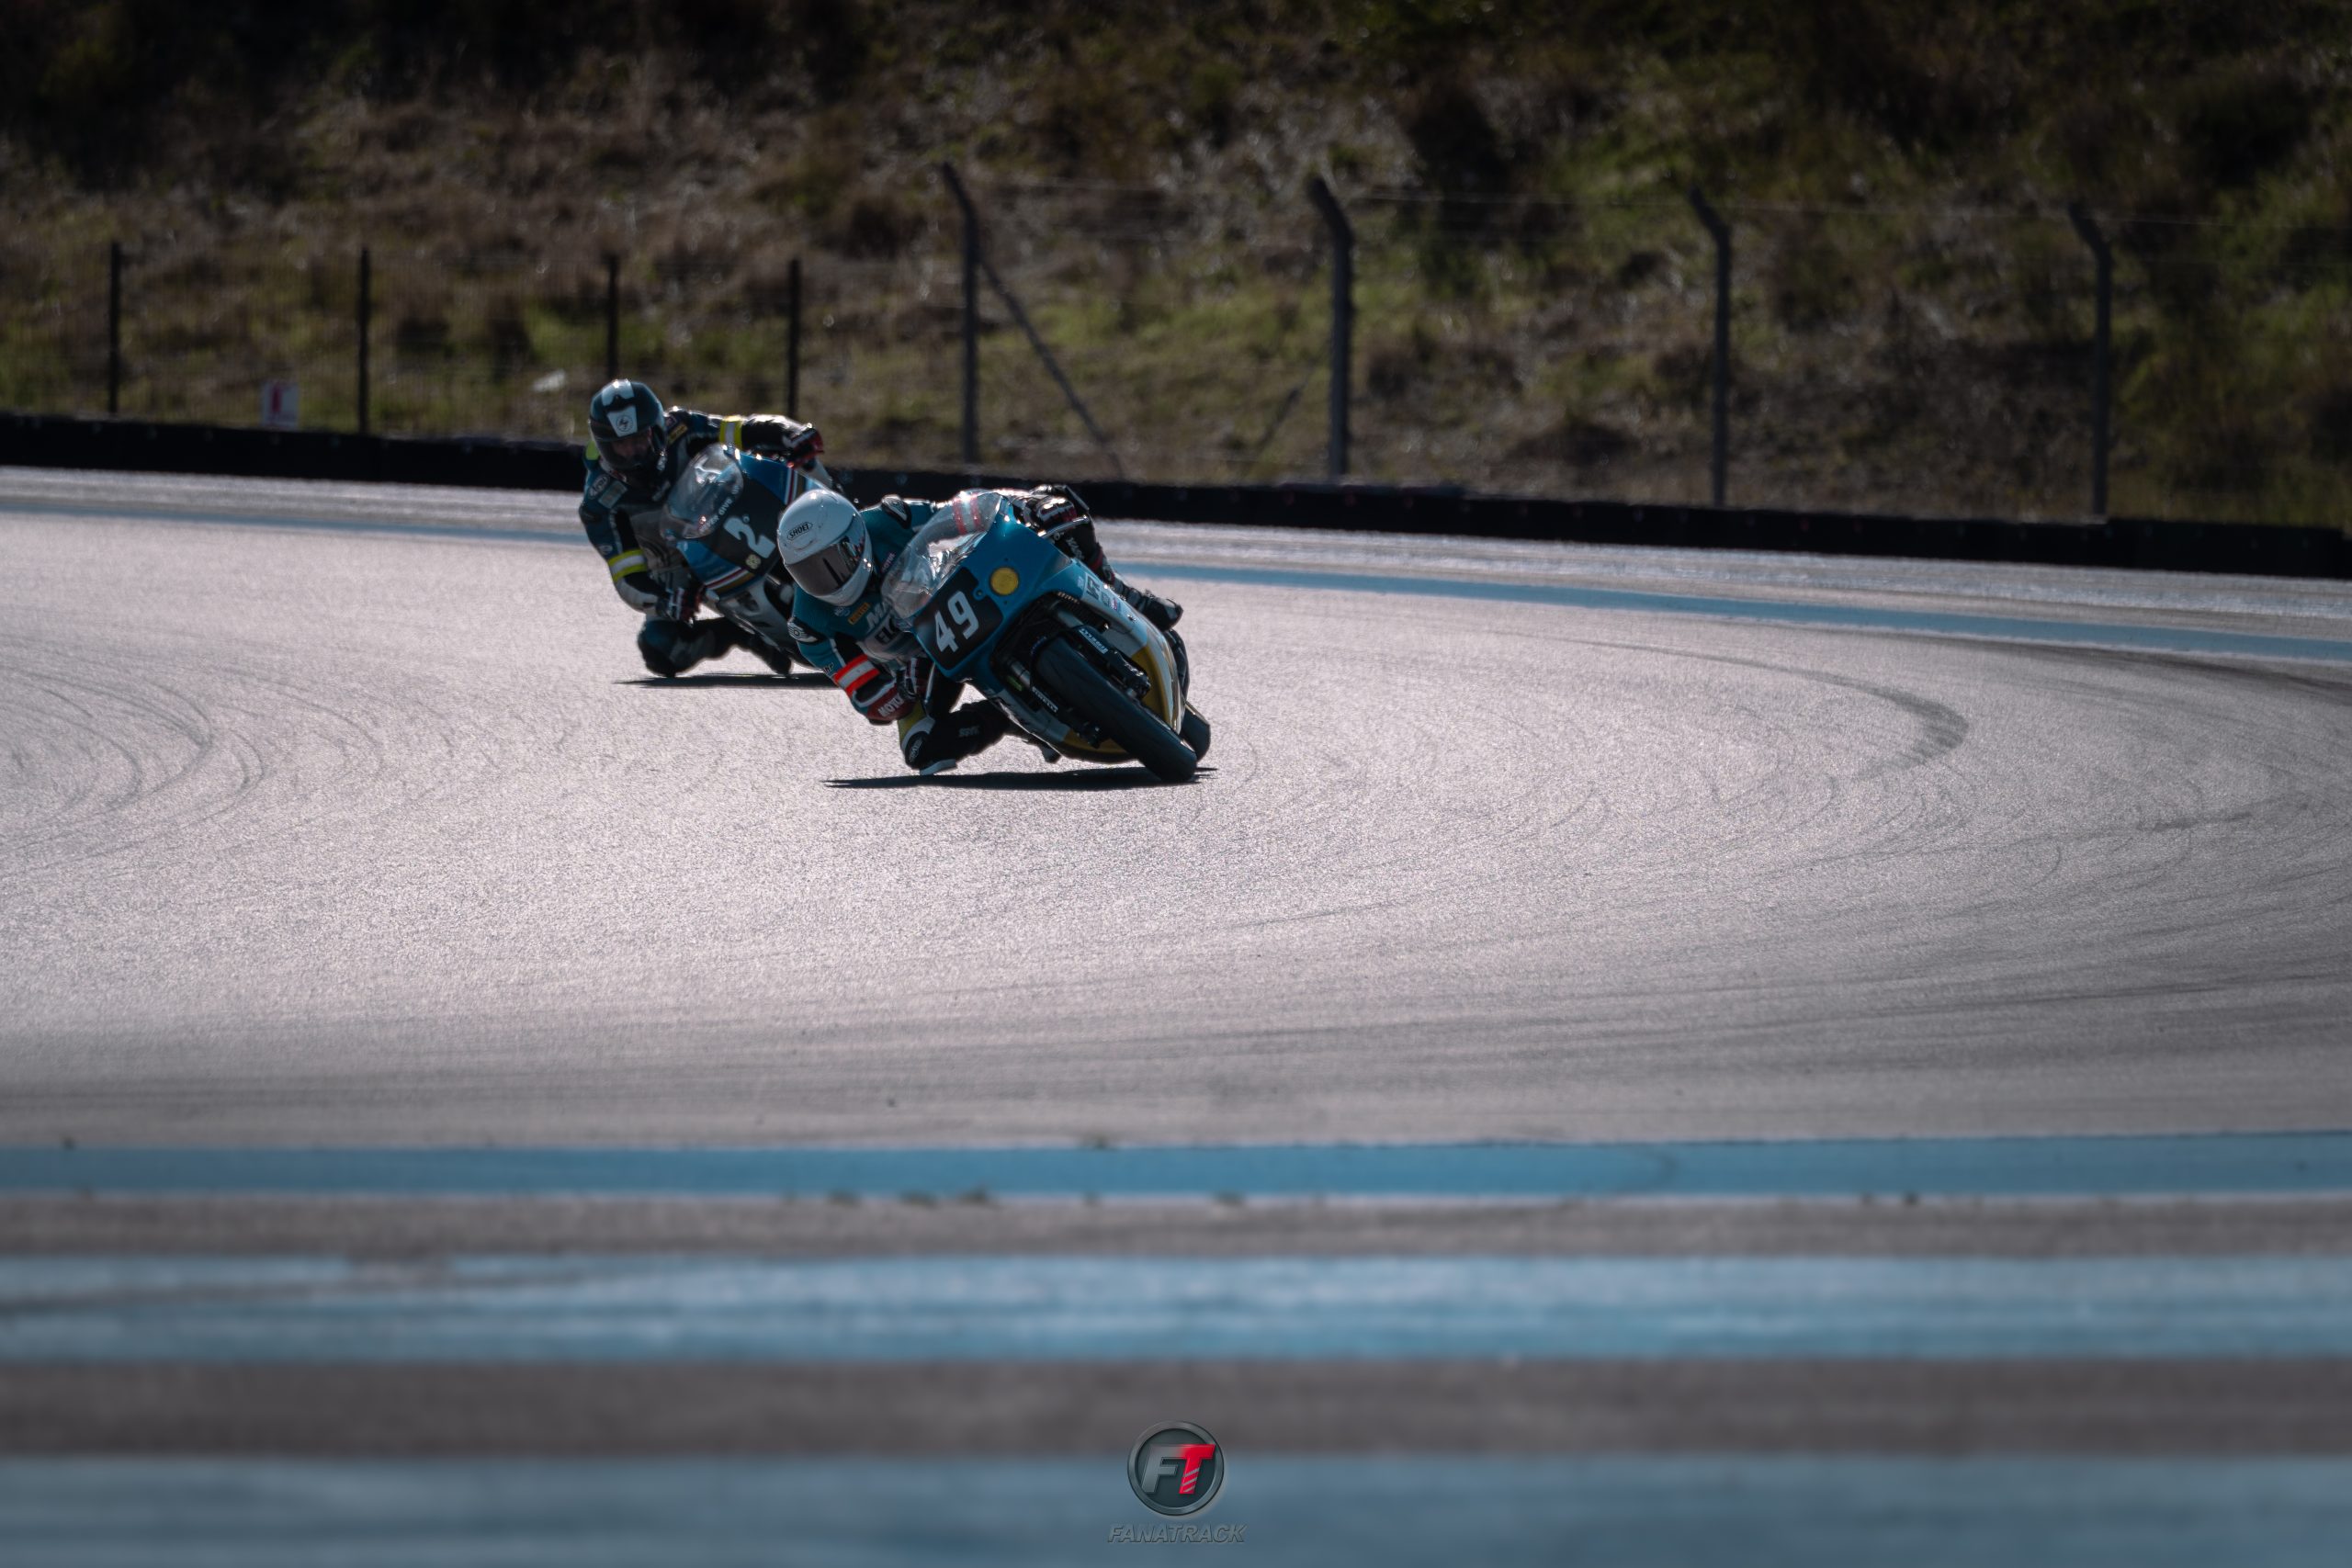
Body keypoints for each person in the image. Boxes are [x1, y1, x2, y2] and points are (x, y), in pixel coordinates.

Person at [775, 483, 1196, 775]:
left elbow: (957, 512)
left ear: (855, 538)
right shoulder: (809, 626)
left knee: (1059, 508)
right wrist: (895, 696)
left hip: (949, 595)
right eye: (807, 572)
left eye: (831, 562)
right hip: (916, 664)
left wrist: (1023, 503)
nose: (824, 580)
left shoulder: (887, 519)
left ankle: (1124, 595)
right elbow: (866, 693)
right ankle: (1009, 716)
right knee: (922, 749)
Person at [578, 378, 827, 677]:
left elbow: (744, 428)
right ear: (605, 447)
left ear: (656, 429)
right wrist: (665, 602)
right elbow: (626, 576)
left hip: (727, 507)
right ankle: (741, 632)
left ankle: (850, 518)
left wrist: (791, 433)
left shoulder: (681, 427)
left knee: (800, 460)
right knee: (662, 647)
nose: (634, 453)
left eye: (640, 439)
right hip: (677, 564)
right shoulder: (600, 502)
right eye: (622, 445)